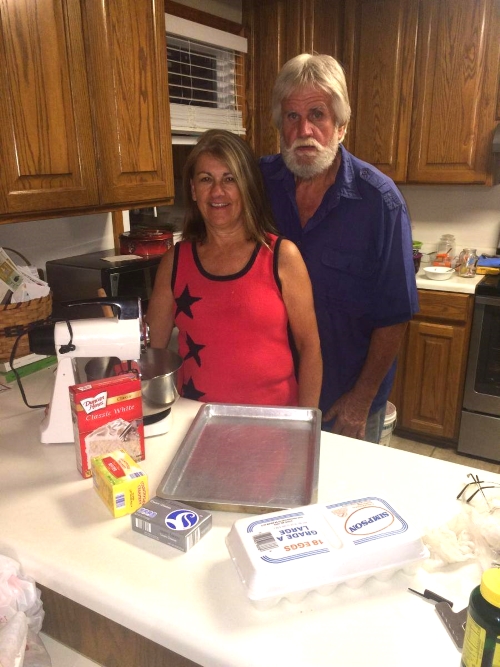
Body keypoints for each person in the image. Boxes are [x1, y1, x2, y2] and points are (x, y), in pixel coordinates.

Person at [260, 53, 419, 442]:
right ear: (280, 127)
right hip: (273, 394)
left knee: (345, 501)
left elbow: (394, 315)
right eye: (292, 118)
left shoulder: (380, 202)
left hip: (344, 402)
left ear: (341, 127)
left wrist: (360, 400)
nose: (305, 131)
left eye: (318, 115)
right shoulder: (257, 185)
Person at [147, 128, 322, 408]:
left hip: (273, 424)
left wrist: (307, 426)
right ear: (193, 189)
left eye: (230, 179)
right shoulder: (175, 262)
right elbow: (152, 352)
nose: (217, 191)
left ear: (247, 186)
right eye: (206, 179)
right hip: (195, 420)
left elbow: (310, 348)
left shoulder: (281, 256)